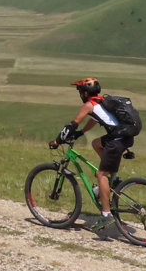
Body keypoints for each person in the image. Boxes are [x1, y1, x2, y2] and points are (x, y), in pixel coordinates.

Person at [54, 78, 139, 231]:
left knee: (101, 174)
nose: (80, 94)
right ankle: (113, 178)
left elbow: (73, 123)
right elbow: (93, 120)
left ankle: (106, 215)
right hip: (125, 137)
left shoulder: (88, 105)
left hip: (117, 141)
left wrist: (58, 141)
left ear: (85, 93)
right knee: (96, 143)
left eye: (80, 92)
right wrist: (81, 133)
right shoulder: (101, 102)